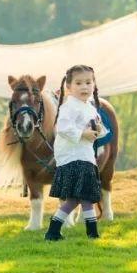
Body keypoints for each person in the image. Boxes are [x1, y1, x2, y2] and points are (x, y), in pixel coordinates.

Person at [45, 64, 109, 241]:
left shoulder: (89, 107)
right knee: (82, 196)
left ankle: (54, 231)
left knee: (77, 198)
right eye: (79, 83)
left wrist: (97, 130)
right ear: (69, 87)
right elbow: (63, 128)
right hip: (73, 157)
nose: (84, 87)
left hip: (85, 156)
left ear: (94, 85)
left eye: (88, 82)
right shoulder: (68, 107)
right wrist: (83, 133)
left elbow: (97, 128)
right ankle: (91, 233)